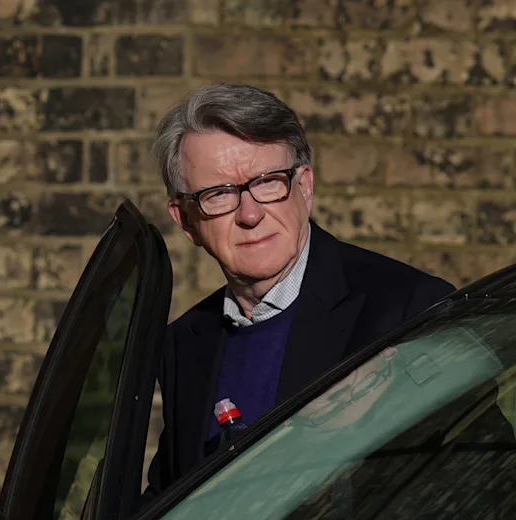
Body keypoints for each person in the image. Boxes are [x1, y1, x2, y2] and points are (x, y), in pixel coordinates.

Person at [143, 83, 455, 497]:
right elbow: (164, 510)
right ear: (186, 220)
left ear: (305, 187)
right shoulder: (184, 344)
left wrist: (350, 443)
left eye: (268, 182)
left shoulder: (407, 310)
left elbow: (491, 495)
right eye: (218, 194)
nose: (250, 214)